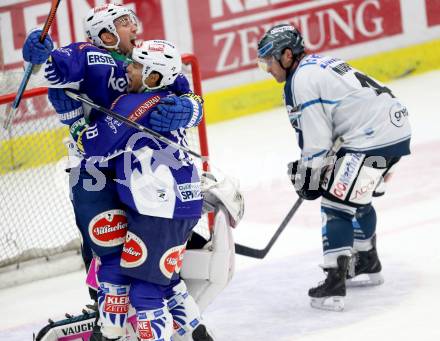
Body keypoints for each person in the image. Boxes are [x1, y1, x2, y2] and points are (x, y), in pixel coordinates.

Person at [22, 3, 203, 340]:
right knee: (110, 257)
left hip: (138, 174)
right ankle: (109, 319)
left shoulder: (150, 56)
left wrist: (189, 110)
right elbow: (55, 68)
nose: (135, 28)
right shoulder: (87, 55)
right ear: (105, 34)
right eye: (125, 24)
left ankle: (131, 319)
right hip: (95, 170)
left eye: (134, 21)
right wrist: (39, 56)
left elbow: (187, 92)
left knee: (143, 258)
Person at [257, 24, 411, 311]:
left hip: (371, 138)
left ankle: (334, 282)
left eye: (269, 60)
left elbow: (316, 139)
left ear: (287, 55)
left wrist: (310, 176)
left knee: (335, 203)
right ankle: (367, 260)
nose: (267, 68)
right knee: (355, 195)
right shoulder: (317, 65)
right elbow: (339, 121)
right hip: (393, 130)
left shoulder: (301, 80)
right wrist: (318, 169)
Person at [74, 39, 213, 341]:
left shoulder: (130, 105)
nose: (129, 68)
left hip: (159, 209)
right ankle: (200, 335)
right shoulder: (165, 97)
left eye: (137, 66)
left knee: (145, 292)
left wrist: (76, 128)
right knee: (166, 281)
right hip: (181, 203)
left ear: (153, 77)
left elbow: (92, 145)